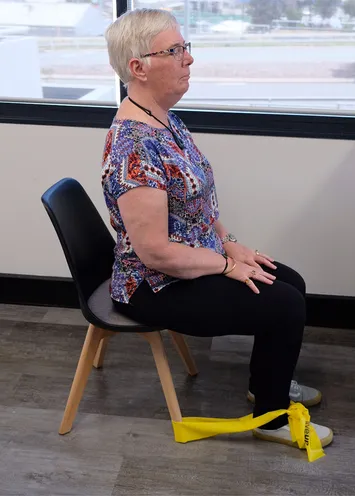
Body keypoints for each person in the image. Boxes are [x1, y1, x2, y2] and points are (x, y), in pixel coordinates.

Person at [100, 8, 332, 447]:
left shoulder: (165, 119)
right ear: (138, 67)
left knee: (291, 283)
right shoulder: (134, 146)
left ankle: (268, 386)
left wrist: (229, 243)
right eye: (175, 51)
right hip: (154, 285)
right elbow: (155, 253)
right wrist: (225, 265)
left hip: (190, 259)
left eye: (185, 47)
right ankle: (272, 418)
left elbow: (198, 200)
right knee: (283, 305)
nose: (189, 59)